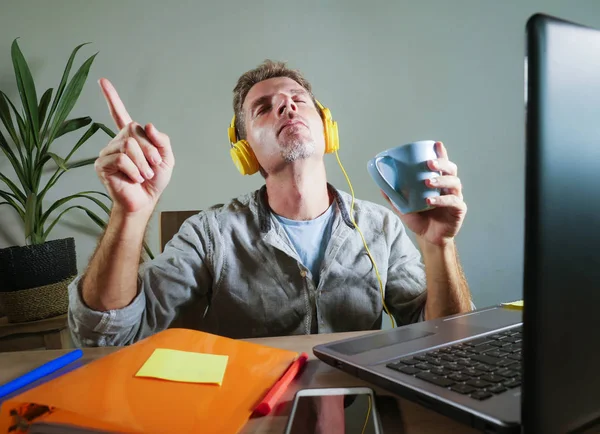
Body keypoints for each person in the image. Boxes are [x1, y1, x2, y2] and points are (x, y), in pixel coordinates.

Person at [68, 60, 472, 347]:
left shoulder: (380, 227)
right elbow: (106, 335)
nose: (287, 105)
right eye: (263, 107)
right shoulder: (210, 234)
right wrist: (130, 212)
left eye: (298, 98)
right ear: (245, 152)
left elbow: (446, 340)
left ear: (327, 127)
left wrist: (439, 245)